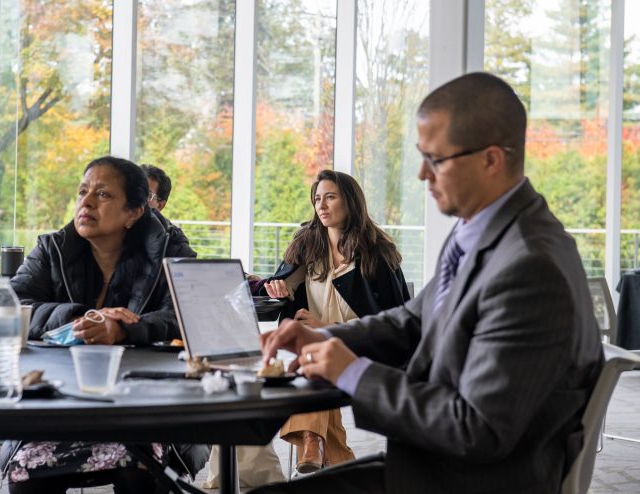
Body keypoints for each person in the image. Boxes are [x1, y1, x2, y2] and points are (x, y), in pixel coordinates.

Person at [256, 72, 604, 494]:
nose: (422, 174)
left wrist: (352, 373)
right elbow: (412, 321)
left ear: (491, 159)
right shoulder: (480, 232)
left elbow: (477, 429)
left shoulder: (530, 267)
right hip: (434, 468)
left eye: (436, 160)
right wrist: (321, 336)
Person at [1, 156, 208, 493]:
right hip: (61, 402)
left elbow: (188, 314)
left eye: (103, 194)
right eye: (83, 192)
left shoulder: (171, 248)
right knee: (27, 472)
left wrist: (125, 329)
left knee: (141, 469)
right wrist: (77, 317)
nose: (86, 201)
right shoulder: (52, 249)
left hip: (148, 406)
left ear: (134, 212)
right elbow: (10, 305)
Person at [260, 169, 410, 475]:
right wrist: (280, 289)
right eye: (317, 198)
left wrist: (326, 329)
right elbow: (284, 283)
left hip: (360, 345)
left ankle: (312, 438)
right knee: (315, 361)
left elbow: (397, 317)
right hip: (313, 344)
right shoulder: (307, 243)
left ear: (350, 201)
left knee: (315, 365)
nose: (322, 205)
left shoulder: (376, 250)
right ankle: (331, 455)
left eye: (330, 197)